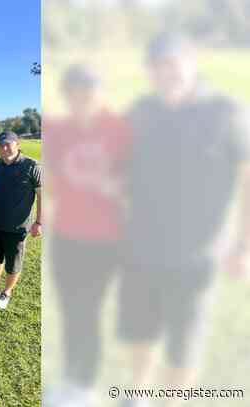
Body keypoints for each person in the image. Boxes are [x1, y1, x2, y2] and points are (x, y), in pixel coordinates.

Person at [121, 33, 250, 401]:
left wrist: (243, 245)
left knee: (184, 339)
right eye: (159, 66)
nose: (167, 72)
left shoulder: (225, 113)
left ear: (192, 63)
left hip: (198, 253)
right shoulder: (141, 111)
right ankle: (138, 393)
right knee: (138, 330)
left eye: (174, 63)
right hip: (142, 245)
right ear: (149, 70)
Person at [42, 65, 131, 406]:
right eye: (75, 92)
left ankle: (85, 386)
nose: (82, 98)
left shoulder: (119, 129)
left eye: (88, 91)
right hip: (66, 235)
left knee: (90, 309)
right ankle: (74, 379)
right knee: (71, 309)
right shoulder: (60, 130)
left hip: (105, 237)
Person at [0, 132, 42, 310]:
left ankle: (6, 292)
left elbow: (42, 196)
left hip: (18, 226)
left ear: (17, 144)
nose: (4, 148)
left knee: (13, 262)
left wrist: (39, 223)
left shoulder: (32, 165)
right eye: (0, 145)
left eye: (7, 144)